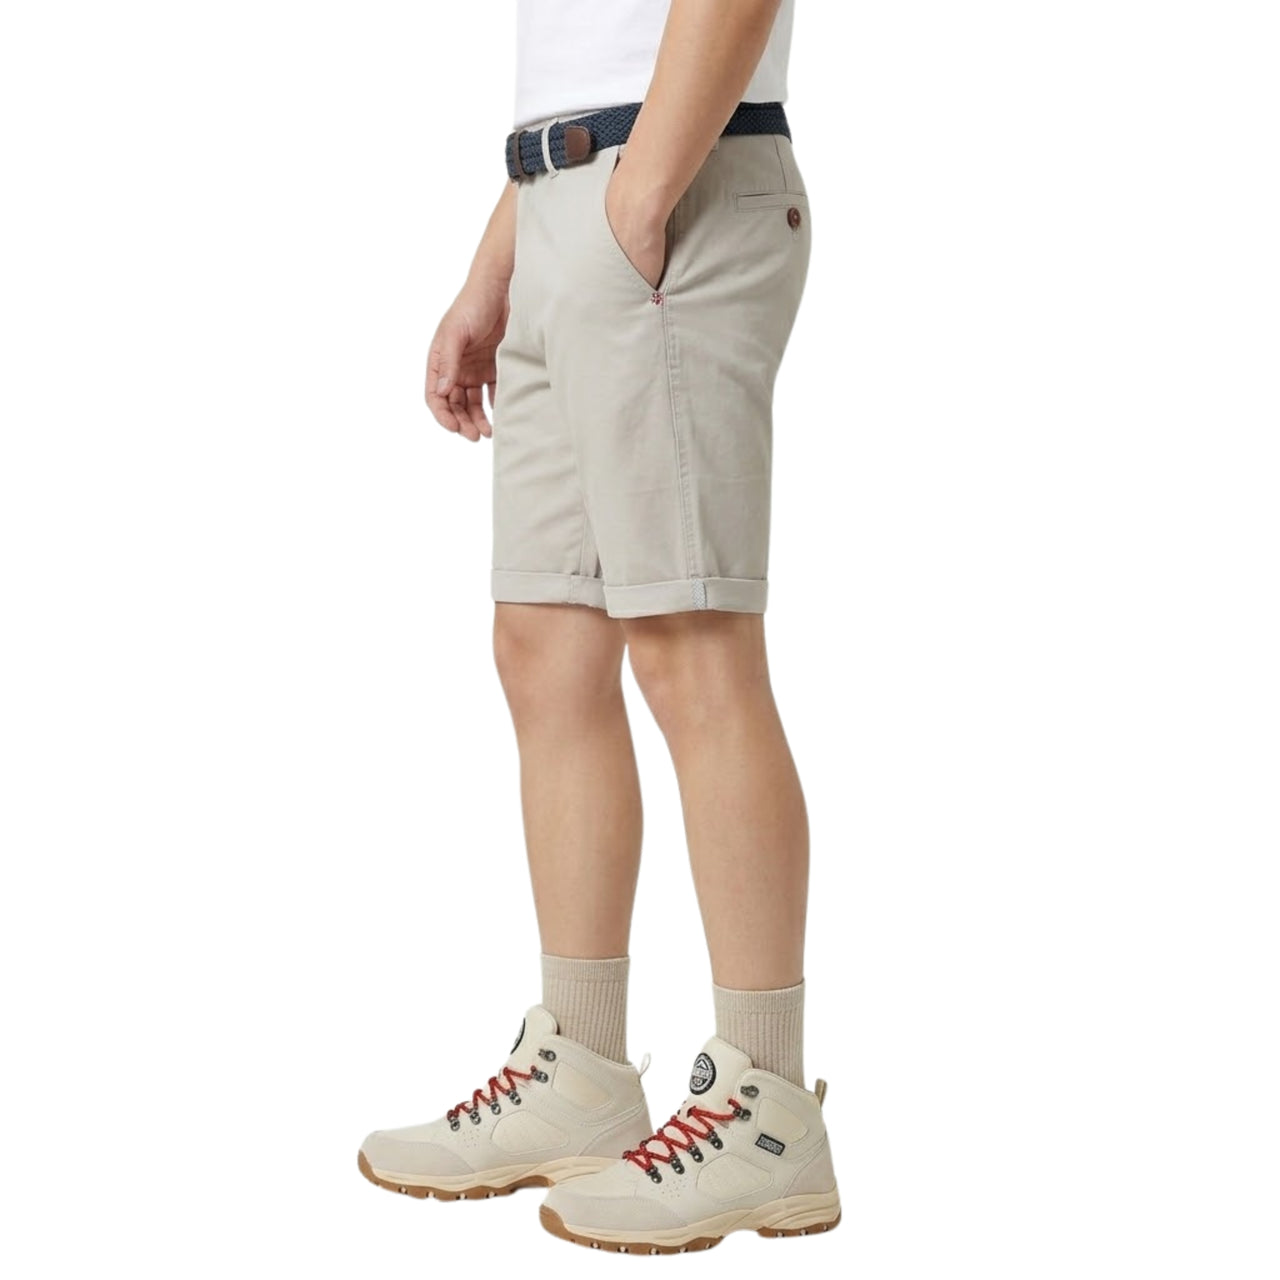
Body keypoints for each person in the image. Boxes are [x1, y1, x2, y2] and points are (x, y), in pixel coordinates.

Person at [358, 0, 840, 1252]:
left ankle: (766, 1111)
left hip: (669, 191)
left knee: (690, 647)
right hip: (563, 198)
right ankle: (578, 1065)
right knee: (545, 641)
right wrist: (500, 265)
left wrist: (635, 201)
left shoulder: (648, 194)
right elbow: (585, 60)